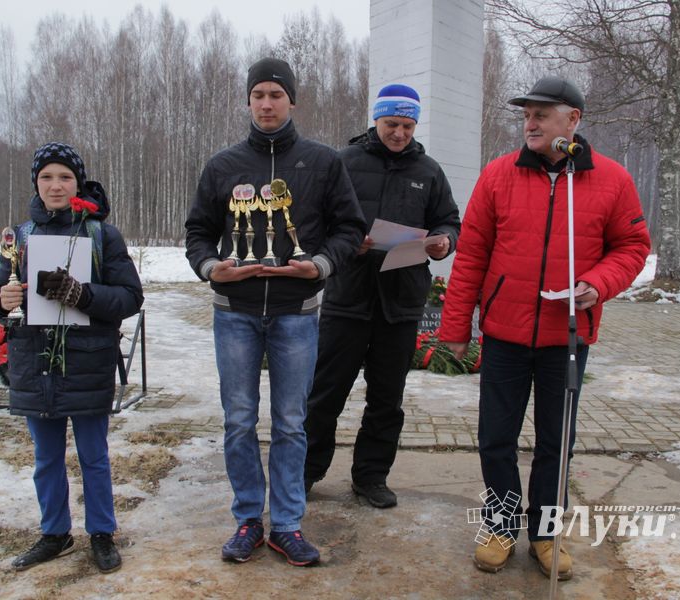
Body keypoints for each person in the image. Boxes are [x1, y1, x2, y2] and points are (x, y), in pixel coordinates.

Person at [439, 76, 651, 580]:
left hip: (568, 338)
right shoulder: (498, 175)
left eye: (541, 113)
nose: (529, 122)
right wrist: (456, 326)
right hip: (506, 334)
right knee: (496, 437)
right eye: (526, 114)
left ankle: (547, 532)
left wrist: (599, 283)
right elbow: (471, 256)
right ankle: (500, 523)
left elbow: (633, 247)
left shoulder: (611, 181)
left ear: (572, 119)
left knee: (557, 443)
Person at [184, 57, 366, 567]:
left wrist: (322, 265)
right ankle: (248, 518)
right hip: (235, 312)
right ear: (248, 100)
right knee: (239, 420)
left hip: (296, 313)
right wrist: (209, 266)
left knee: (290, 422)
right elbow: (197, 231)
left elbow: (349, 228)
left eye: (276, 95)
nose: (267, 103)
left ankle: (286, 523)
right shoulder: (223, 166)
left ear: (292, 101)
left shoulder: (323, 162)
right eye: (259, 94)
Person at [0, 142, 144, 574]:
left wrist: (83, 295)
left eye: (65, 177)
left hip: (87, 360)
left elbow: (130, 297)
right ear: (36, 184)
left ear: (79, 182)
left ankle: (102, 534)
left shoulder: (100, 234)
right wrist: (2, 298)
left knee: (94, 454)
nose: (56, 186)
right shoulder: (20, 236)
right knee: (46, 457)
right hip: (35, 362)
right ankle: (54, 533)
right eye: (47, 178)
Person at [303, 84, 461, 508]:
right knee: (325, 393)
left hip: (401, 301)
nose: (400, 133)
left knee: (387, 399)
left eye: (408, 126)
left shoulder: (428, 171)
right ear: (376, 119)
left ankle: (371, 477)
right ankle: (305, 472)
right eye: (392, 124)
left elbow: (448, 220)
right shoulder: (344, 162)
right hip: (347, 297)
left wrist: (445, 241)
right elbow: (316, 220)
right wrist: (343, 244)